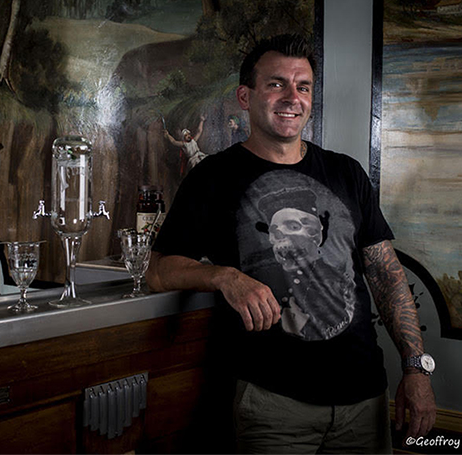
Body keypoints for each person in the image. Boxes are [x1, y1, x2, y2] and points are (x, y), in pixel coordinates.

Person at [147, 34, 436, 454]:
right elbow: (159, 271)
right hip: (273, 405)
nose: (292, 98)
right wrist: (224, 277)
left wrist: (416, 368)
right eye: (276, 84)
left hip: (364, 399)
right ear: (245, 96)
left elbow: (387, 277)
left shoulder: (346, 173)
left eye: (303, 87)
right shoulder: (211, 178)